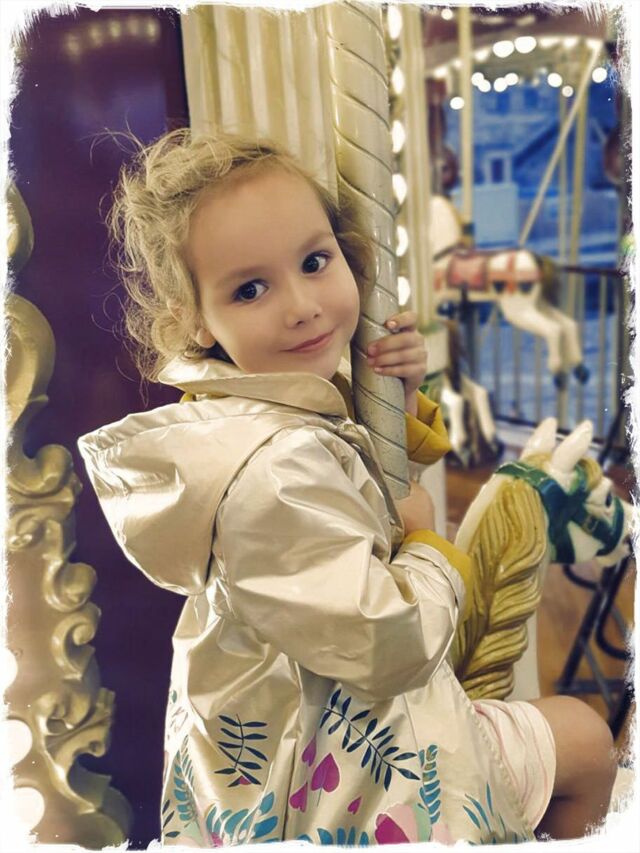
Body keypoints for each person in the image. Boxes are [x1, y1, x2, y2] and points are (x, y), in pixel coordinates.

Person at [78, 129, 616, 846]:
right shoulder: (269, 470)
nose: (302, 304)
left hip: (308, 715)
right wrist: (424, 544)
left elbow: (345, 474)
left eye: (314, 261)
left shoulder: (260, 406)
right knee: (586, 740)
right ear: (193, 320)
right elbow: (388, 639)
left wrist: (397, 399)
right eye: (250, 289)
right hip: (335, 749)